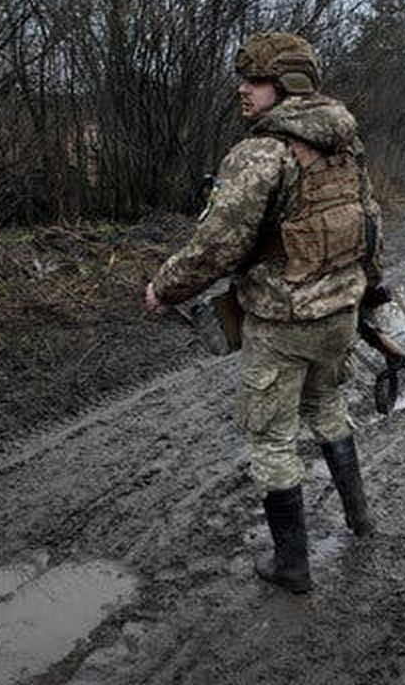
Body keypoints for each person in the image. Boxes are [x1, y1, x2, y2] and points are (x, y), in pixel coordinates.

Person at [144, 31, 383, 594]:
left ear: (286, 86)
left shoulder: (262, 151)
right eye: (244, 79)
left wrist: (164, 288)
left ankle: (292, 566)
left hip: (284, 321)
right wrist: (368, 289)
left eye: (254, 81)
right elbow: (370, 223)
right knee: (327, 406)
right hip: (339, 311)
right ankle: (360, 519)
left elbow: (217, 245)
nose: (242, 91)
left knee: (272, 439)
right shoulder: (346, 143)